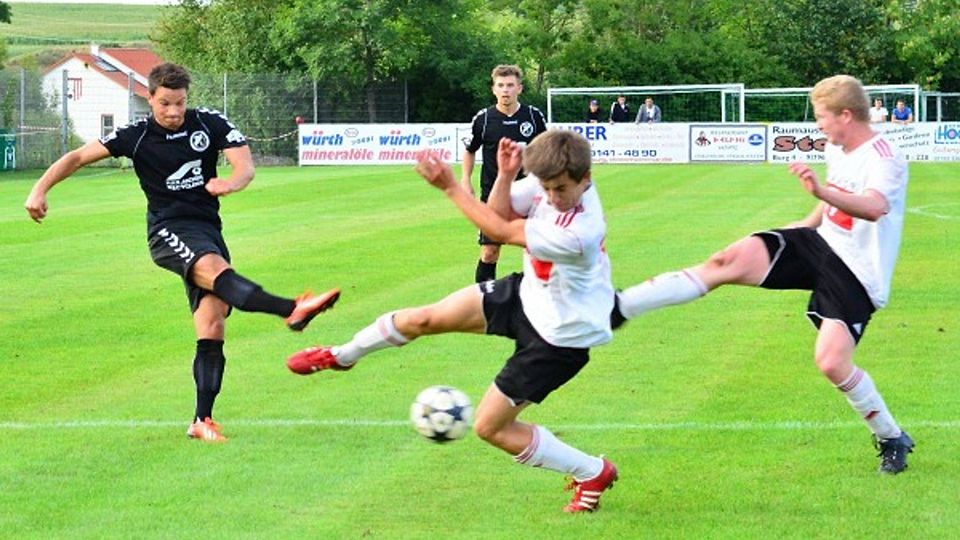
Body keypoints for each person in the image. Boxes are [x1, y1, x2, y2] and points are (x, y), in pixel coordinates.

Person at [288, 131, 620, 513]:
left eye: (559, 189)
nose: (551, 196)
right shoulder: (552, 182)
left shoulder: (580, 232)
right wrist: (505, 175)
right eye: (545, 188)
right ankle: (341, 356)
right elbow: (498, 216)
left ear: (585, 178)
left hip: (559, 338)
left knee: (490, 428)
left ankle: (592, 471)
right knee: (423, 318)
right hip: (530, 295)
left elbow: (500, 232)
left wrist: (449, 186)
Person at [610, 75, 914, 474]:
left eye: (822, 116)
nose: (818, 125)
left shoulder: (885, 157)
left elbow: (874, 207)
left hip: (858, 273)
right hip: (821, 243)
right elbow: (829, 206)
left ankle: (892, 436)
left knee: (831, 362)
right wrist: (797, 227)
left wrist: (820, 192)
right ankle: (621, 306)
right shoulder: (836, 149)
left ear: (845, 114)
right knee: (725, 261)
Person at [23, 62, 340, 443]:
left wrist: (231, 183)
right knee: (218, 274)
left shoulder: (209, 122)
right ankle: (292, 309)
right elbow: (76, 157)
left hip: (206, 230)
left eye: (180, 103)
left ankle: (202, 420)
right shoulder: (135, 135)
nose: (174, 112)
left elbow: (245, 167)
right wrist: (38, 190)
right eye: (165, 104)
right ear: (150, 98)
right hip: (167, 231)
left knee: (213, 324)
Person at [461, 64, 548, 283]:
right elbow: (470, 150)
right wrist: (465, 181)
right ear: (493, 89)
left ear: (519, 88)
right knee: (490, 252)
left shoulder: (533, 116)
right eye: (500, 85)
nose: (505, 90)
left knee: (538, 249)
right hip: (494, 195)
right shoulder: (483, 119)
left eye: (510, 85)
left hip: (531, 195)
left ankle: (539, 297)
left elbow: (546, 150)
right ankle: (485, 300)